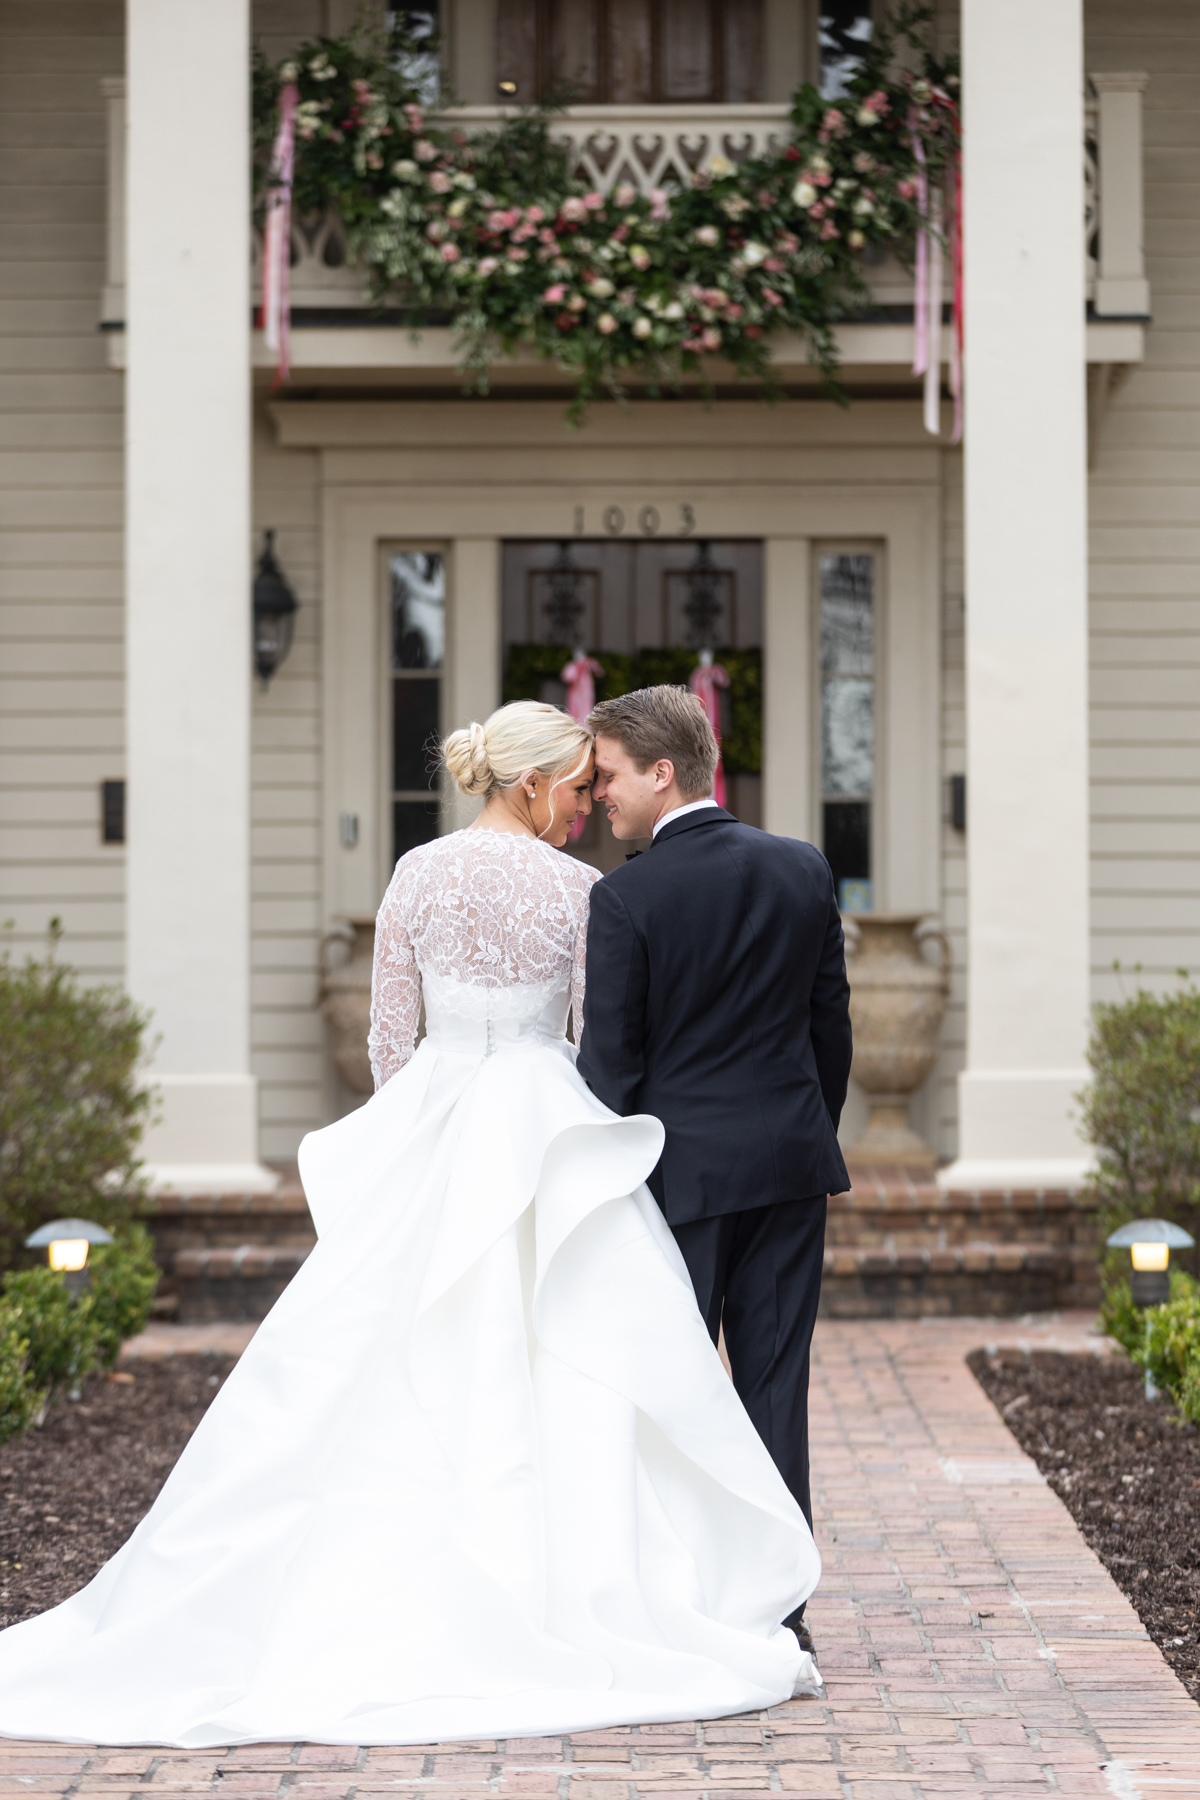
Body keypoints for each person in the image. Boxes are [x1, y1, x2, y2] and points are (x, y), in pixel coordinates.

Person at [0, 700, 821, 1751]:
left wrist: (419, 1142)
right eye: (577, 787)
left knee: (381, 1361)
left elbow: (391, 1042)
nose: (586, 805)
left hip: (437, 1120)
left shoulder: (416, 873)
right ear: (531, 784)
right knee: (568, 1355)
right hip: (543, 1126)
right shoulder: (582, 891)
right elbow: (598, 1043)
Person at [576, 686, 853, 1659]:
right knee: (774, 1388)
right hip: (788, 1168)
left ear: (662, 773)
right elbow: (830, 1034)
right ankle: (779, 1610)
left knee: (672, 1394)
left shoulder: (625, 898)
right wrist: (800, 1132)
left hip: (675, 1189)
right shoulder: (802, 868)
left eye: (608, 776)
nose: (598, 795)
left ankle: (684, 1600)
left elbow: (609, 1072)